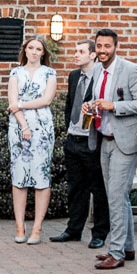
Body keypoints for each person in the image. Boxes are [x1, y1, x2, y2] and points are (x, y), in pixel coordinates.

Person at [82, 29, 137, 271]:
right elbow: (97, 99)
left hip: (126, 141)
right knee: (118, 196)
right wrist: (89, 107)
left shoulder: (130, 69)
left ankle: (116, 252)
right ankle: (127, 247)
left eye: (106, 46)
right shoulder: (98, 70)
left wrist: (114, 106)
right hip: (104, 139)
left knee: (115, 196)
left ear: (115, 47)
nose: (102, 50)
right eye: (99, 46)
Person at [50, 39, 109, 248]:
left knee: (98, 188)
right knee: (75, 188)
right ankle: (73, 229)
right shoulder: (74, 75)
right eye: (75, 51)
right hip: (73, 139)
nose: (76, 55)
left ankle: (100, 233)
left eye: (81, 51)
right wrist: (69, 128)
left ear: (92, 55)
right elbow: (69, 104)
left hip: (92, 140)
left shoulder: (102, 76)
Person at [7, 35, 58, 245]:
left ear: (43, 52)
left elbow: (46, 100)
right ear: (25, 51)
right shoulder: (15, 73)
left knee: (41, 176)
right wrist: (24, 124)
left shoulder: (50, 73)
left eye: (38, 49)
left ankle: (37, 229)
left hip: (43, 130)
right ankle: (20, 227)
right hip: (18, 128)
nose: (34, 52)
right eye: (31, 48)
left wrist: (22, 104)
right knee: (19, 177)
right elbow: (12, 104)